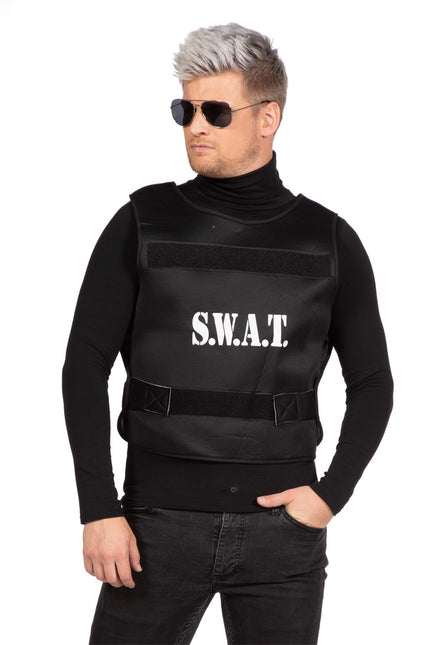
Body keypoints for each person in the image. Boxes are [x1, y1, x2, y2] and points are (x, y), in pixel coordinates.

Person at [62, 22, 394, 645]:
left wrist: (329, 497)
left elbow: (373, 382)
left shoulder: (328, 240)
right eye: (184, 110)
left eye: (215, 111)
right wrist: (98, 508)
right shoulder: (141, 223)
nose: (196, 126)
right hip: (153, 528)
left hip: (283, 539)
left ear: (268, 118)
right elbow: (83, 365)